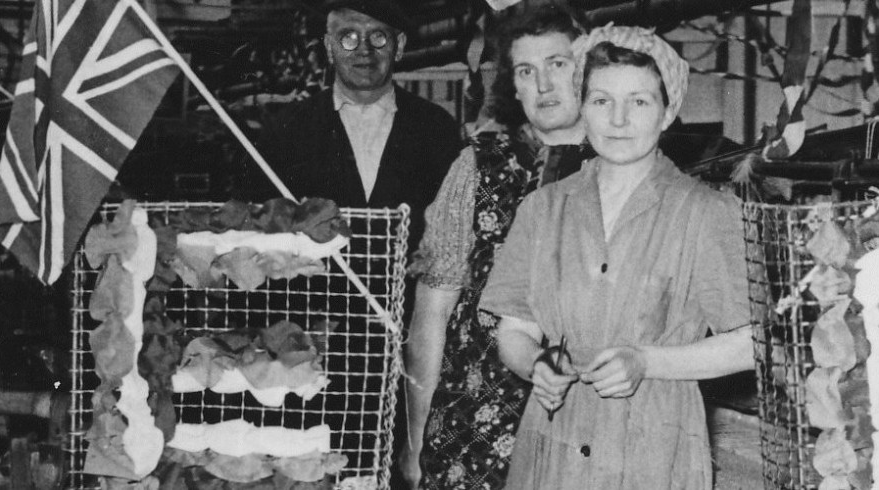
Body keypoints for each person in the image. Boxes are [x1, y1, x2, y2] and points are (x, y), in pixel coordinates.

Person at [479, 24, 755, 490]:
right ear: (583, 107)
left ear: (667, 114)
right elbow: (516, 329)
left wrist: (647, 362)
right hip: (555, 444)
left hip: (655, 449)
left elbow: (751, 343)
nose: (618, 119)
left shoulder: (707, 212)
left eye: (640, 102)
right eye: (601, 101)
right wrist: (536, 365)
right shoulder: (544, 208)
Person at [401, 10, 591, 490]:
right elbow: (431, 316)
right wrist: (416, 436)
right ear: (514, 86)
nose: (544, 84)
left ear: (589, 67)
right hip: (475, 430)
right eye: (527, 72)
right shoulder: (479, 167)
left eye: (559, 65)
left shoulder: (626, 169)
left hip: (592, 420)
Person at [247, 0, 462, 254]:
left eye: (378, 36)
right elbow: (258, 230)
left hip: (412, 292)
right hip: (318, 292)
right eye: (348, 37)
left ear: (399, 45)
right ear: (328, 47)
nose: (364, 49)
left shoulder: (437, 127)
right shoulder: (285, 128)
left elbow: (455, 228)